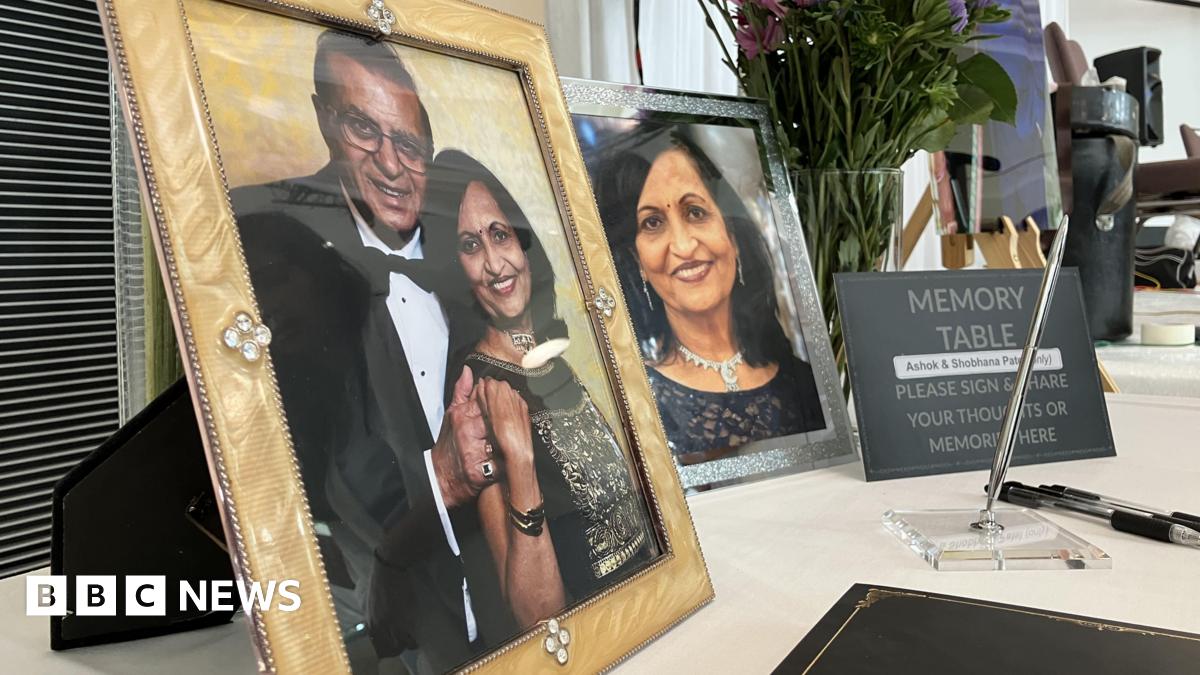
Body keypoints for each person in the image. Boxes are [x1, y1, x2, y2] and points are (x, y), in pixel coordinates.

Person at [229, 30, 498, 672]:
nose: (390, 162)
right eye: (362, 129)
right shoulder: (264, 234)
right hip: (362, 602)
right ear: (324, 117)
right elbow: (295, 460)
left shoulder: (471, 238)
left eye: (408, 141)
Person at [421, 150, 657, 640]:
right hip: (596, 638)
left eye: (500, 235)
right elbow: (535, 616)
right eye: (469, 245)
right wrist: (521, 465)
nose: (494, 263)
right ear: (453, 265)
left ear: (523, 242)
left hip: (651, 602)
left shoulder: (550, 355)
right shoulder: (479, 394)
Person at [590, 124, 826, 462]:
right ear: (637, 260)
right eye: (652, 223)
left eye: (696, 212)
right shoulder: (632, 402)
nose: (684, 246)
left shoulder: (809, 386)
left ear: (733, 235)